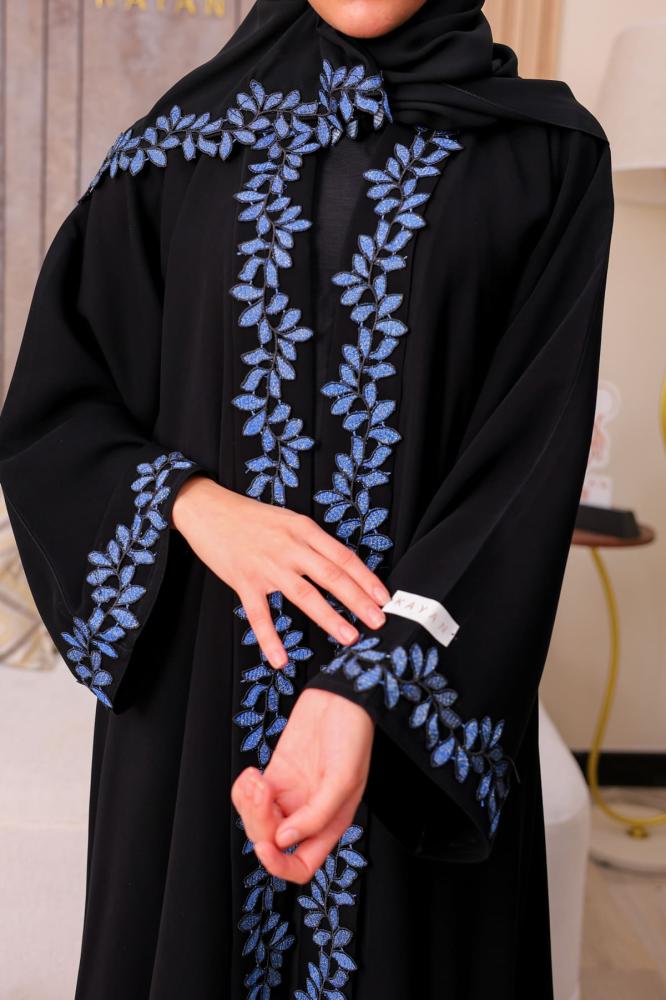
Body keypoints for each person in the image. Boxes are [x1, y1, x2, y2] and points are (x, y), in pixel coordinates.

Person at [0, 1, 613, 997]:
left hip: (414, 746)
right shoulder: (172, 155)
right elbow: (54, 417)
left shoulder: (548, 159)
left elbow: (523, 473)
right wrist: (190, 502)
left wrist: (371, 688)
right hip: (194, 731)